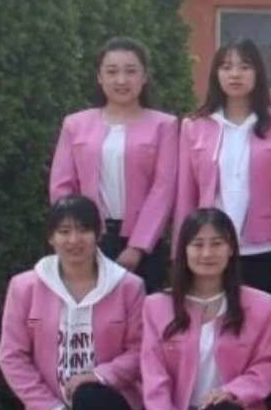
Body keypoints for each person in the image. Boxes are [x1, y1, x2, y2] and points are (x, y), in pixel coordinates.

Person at [0, 195, 148, 410]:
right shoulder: (24, 287)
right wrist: (49, 407)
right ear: (51, 237)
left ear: (98, 234)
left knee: (90, 395)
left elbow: (141, 351)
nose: (74, 240)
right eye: (64, 231)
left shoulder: (128, 286)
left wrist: (98, 375)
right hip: (55, 409)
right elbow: (12, 356)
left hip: (112, 406)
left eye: (83, 230)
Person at [141, 208, 271, 410]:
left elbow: (265, 367)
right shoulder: (157, 306)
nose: (207, 253)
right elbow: (154, 377)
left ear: (231, 249)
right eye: (197, 244)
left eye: (217, 243)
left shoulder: (259, 304)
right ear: (183, 251)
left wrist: (231, 391)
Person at [50, 37, 178, 289]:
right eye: (112, 72)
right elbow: (61, 185)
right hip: (87, 239)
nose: (121, 80)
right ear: (99, 77)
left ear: (144, 76)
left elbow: (163, 189)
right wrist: (76, 234)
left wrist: (138, 246)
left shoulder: (164, 125)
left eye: (130, 71)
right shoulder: (75, 124)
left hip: (144, 241)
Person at [178, 39, 271, 296]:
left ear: (258, 73)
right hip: (209, 251)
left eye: (244, 67)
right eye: (226, 67)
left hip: (266, 248)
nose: (235, 74)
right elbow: (185, 197)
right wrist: (178, 253)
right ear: (216, 74)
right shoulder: (194, 126)